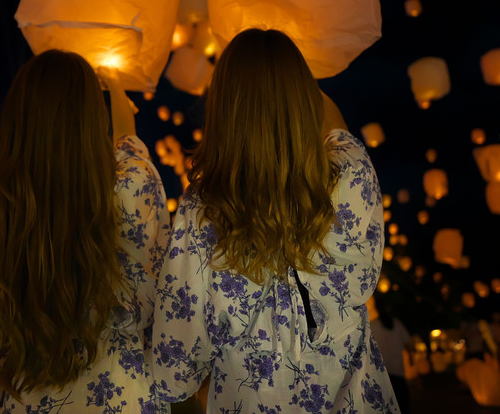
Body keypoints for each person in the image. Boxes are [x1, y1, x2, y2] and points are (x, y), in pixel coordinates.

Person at [153, 28, 400, 413]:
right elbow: (335, 129)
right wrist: (289, 76)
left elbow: (175, 366)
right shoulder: (351, 174)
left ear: (223, 106)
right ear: (304, 96)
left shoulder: (202, 209)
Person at [0, 50, 171, 413]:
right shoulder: (132, 188)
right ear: (93, 120)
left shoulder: (5, 214)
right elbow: (130, 140)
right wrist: (112, 85)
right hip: (123, 397)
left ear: (19, 120)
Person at [371, 294, 413, 413]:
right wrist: (411, 359)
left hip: (380, 375)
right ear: (388, 308)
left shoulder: (372, 326)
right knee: (402, 407)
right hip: (398, 372)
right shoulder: (397, 324)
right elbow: (408, 344)